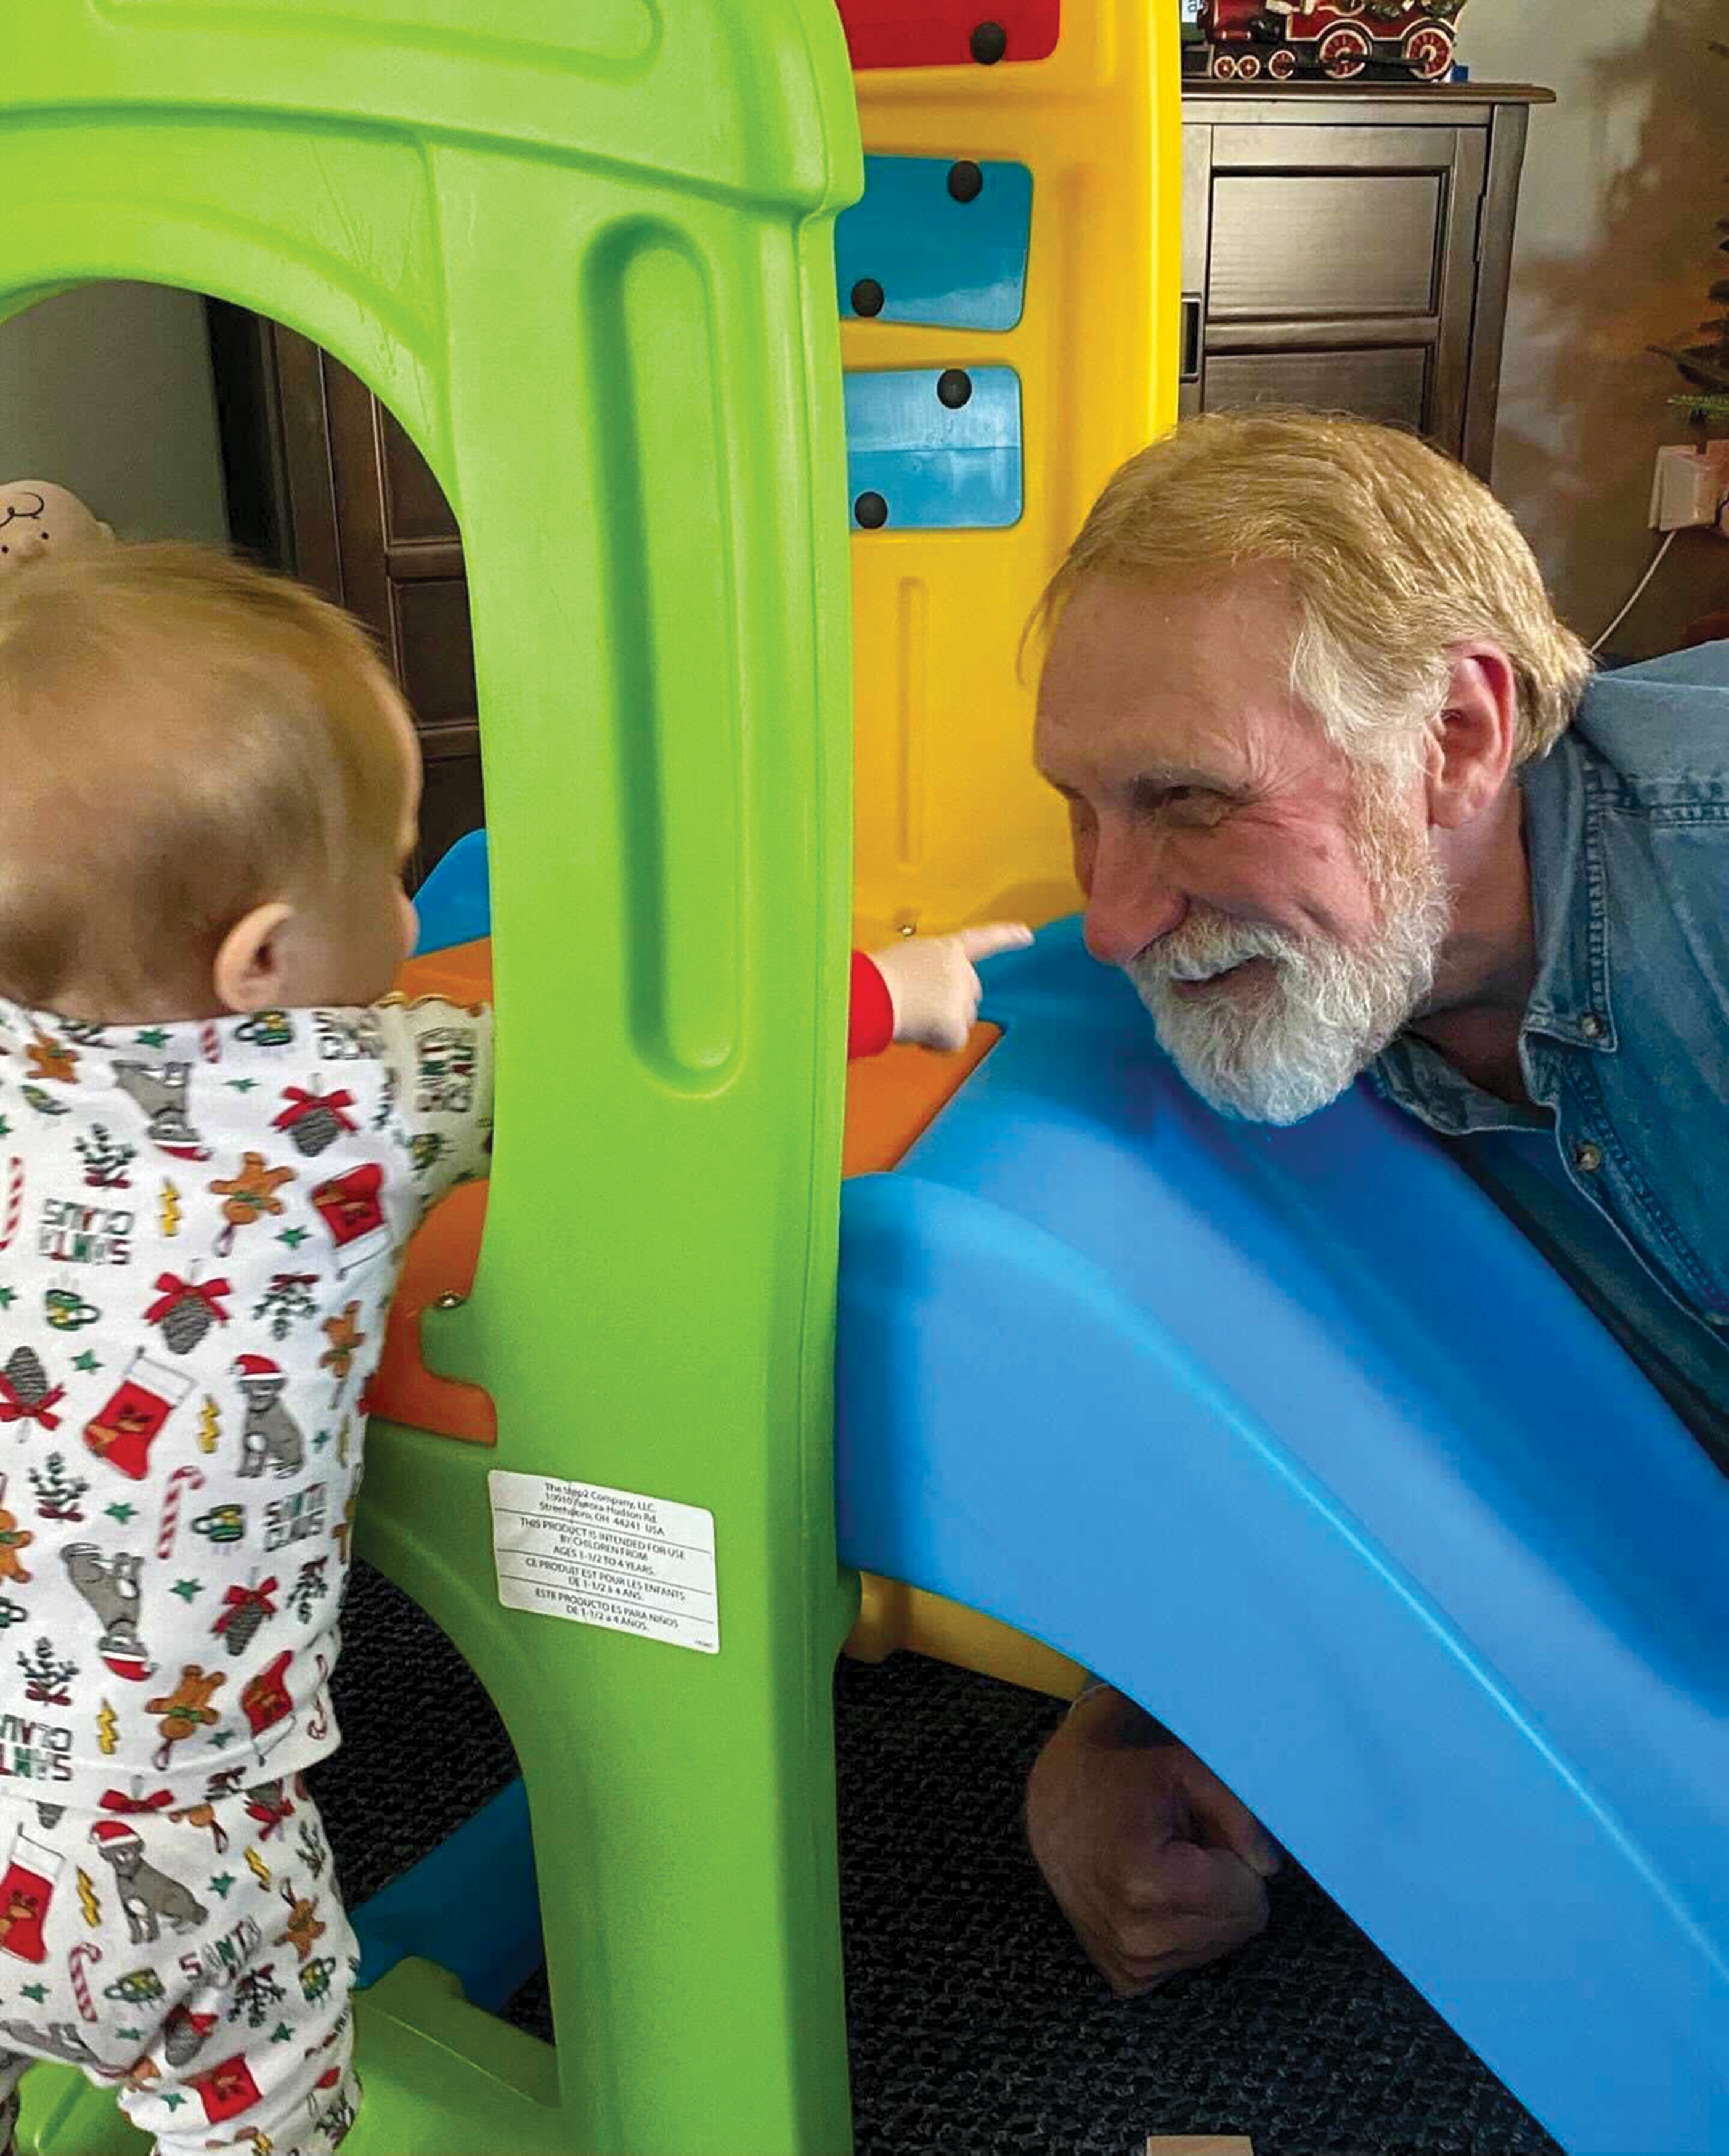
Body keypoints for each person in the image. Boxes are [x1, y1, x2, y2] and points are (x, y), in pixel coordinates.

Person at [0, 543, 1018, 2153]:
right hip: (175, 1873)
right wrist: (891, 987)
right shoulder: (340, 1094)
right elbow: (652, 1076)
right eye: (393, 879)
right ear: (262, 967)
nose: (413, 919)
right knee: (255, 2102)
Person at [1023, 410, 1729, 1997]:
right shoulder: (1298, 976)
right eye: (1083, 805)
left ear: (1460, 740)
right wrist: (1121, 1725)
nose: (1110, 916)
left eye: (1191, 801)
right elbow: (1268, 1394)